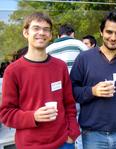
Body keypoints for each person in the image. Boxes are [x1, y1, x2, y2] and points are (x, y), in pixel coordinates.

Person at [0, 12, 80, 149]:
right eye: (36, 28)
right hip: (30, 145)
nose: (41, 33)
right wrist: (33, 116)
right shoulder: (13, 71)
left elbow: (69, 104)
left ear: (50, 35)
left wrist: (72, 133)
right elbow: (6, 114)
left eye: (46, 29)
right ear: (26, 32)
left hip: (63, 142)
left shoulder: (60, 66)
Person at [70, 10, 116, 149]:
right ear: (101, 32)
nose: (113, 37)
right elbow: (72, 92)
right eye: (109, 32)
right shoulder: (84, 59)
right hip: (93, 135)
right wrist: (92, 91)